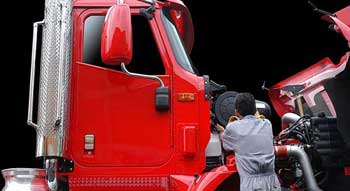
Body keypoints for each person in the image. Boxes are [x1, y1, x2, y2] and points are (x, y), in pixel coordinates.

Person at [216, 93, 281, 191]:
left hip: (251, 186)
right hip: (272, 183)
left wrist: (221, 131)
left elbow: (226, 145)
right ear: (255, 110)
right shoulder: (267, 124)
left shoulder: (233, 127)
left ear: (236, 112)